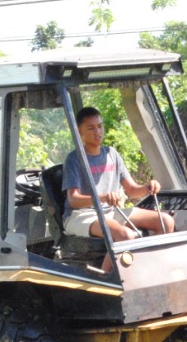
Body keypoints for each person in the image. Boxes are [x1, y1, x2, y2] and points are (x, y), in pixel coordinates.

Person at [61, 107, 175, 264]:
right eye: (91, 128)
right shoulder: (74, 159)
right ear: (79, 131)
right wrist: (102, 198)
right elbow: (73, 200)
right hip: (81, 215)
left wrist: (148, 187)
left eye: (100, 126)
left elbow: (133, 191)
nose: (97, 132)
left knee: (166, 221)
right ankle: (106, 277)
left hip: (112, 212)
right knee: (125, 235)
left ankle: (152, 266)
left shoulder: (112, 154)